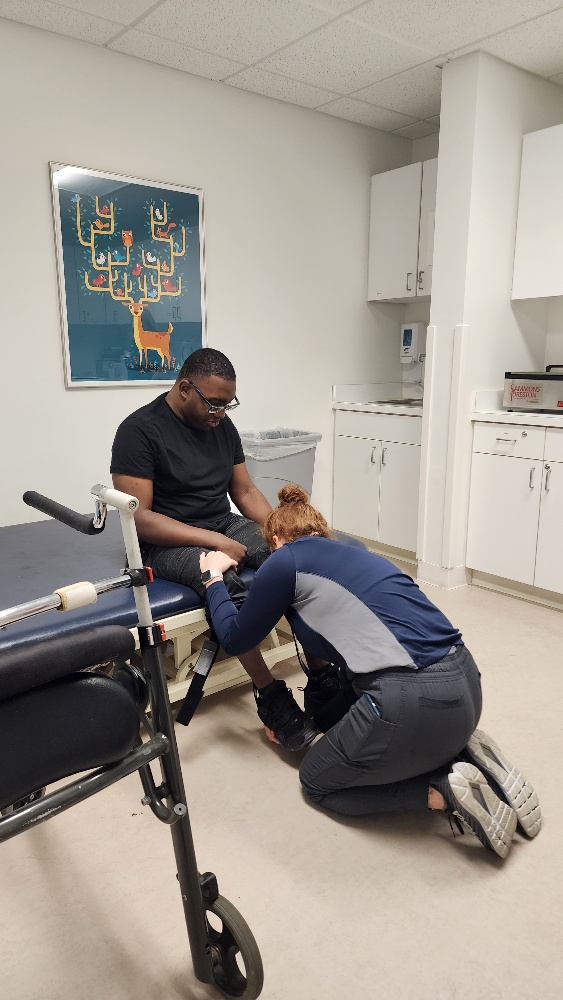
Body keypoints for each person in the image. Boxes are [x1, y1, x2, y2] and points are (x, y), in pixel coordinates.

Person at [199, 484, 542, 859]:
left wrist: (213, 577)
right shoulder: (356, 550)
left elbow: (235, 638)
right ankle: (463, 753)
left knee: (317, 782)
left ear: (277, 539)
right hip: (467, 680)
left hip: (414, 699)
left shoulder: (284, 559)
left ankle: (441, 793)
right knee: (353, 713)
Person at [110, 348, 319, 751]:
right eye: (214, 403)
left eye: (228, 404)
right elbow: (140, 519)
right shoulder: (139, 431)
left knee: (297, 557)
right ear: (185, 388)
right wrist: (215, 542)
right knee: (221, 574)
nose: (221, 413)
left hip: (222, 523)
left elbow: (243, 490)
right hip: (164, 541)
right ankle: (270, 695)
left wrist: (281, 532)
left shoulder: (222, 426)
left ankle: (322, 672)